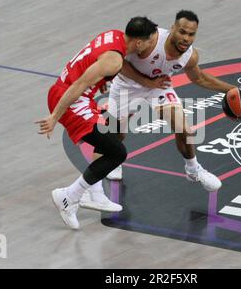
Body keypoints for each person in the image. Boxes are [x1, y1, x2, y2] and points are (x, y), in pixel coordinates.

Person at [81, 10, 237, 211]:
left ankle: (193, 169)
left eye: (191, 34)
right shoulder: (150, 41)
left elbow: (199, 78)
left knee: (184, 128)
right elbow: (120, 61)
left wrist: (232, 89)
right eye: (182, 32)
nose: (186, 38)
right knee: (114, 137)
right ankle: (92, 189)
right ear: (172, 28)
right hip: (127, 86)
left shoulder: (190, 55)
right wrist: (145, 81)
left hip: (159, 87)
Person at [35, 17, 158, 229]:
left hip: (72, 94)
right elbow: (80, 83)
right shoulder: (114, 60)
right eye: (150, 42)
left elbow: (91, 64)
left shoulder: (114, 35)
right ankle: (68, 197)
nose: (151, 47)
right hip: (71, 99)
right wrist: (55, 116)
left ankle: (96, 192)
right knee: (117, 152)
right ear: (138, 42)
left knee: (109, 137)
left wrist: (101, 81)